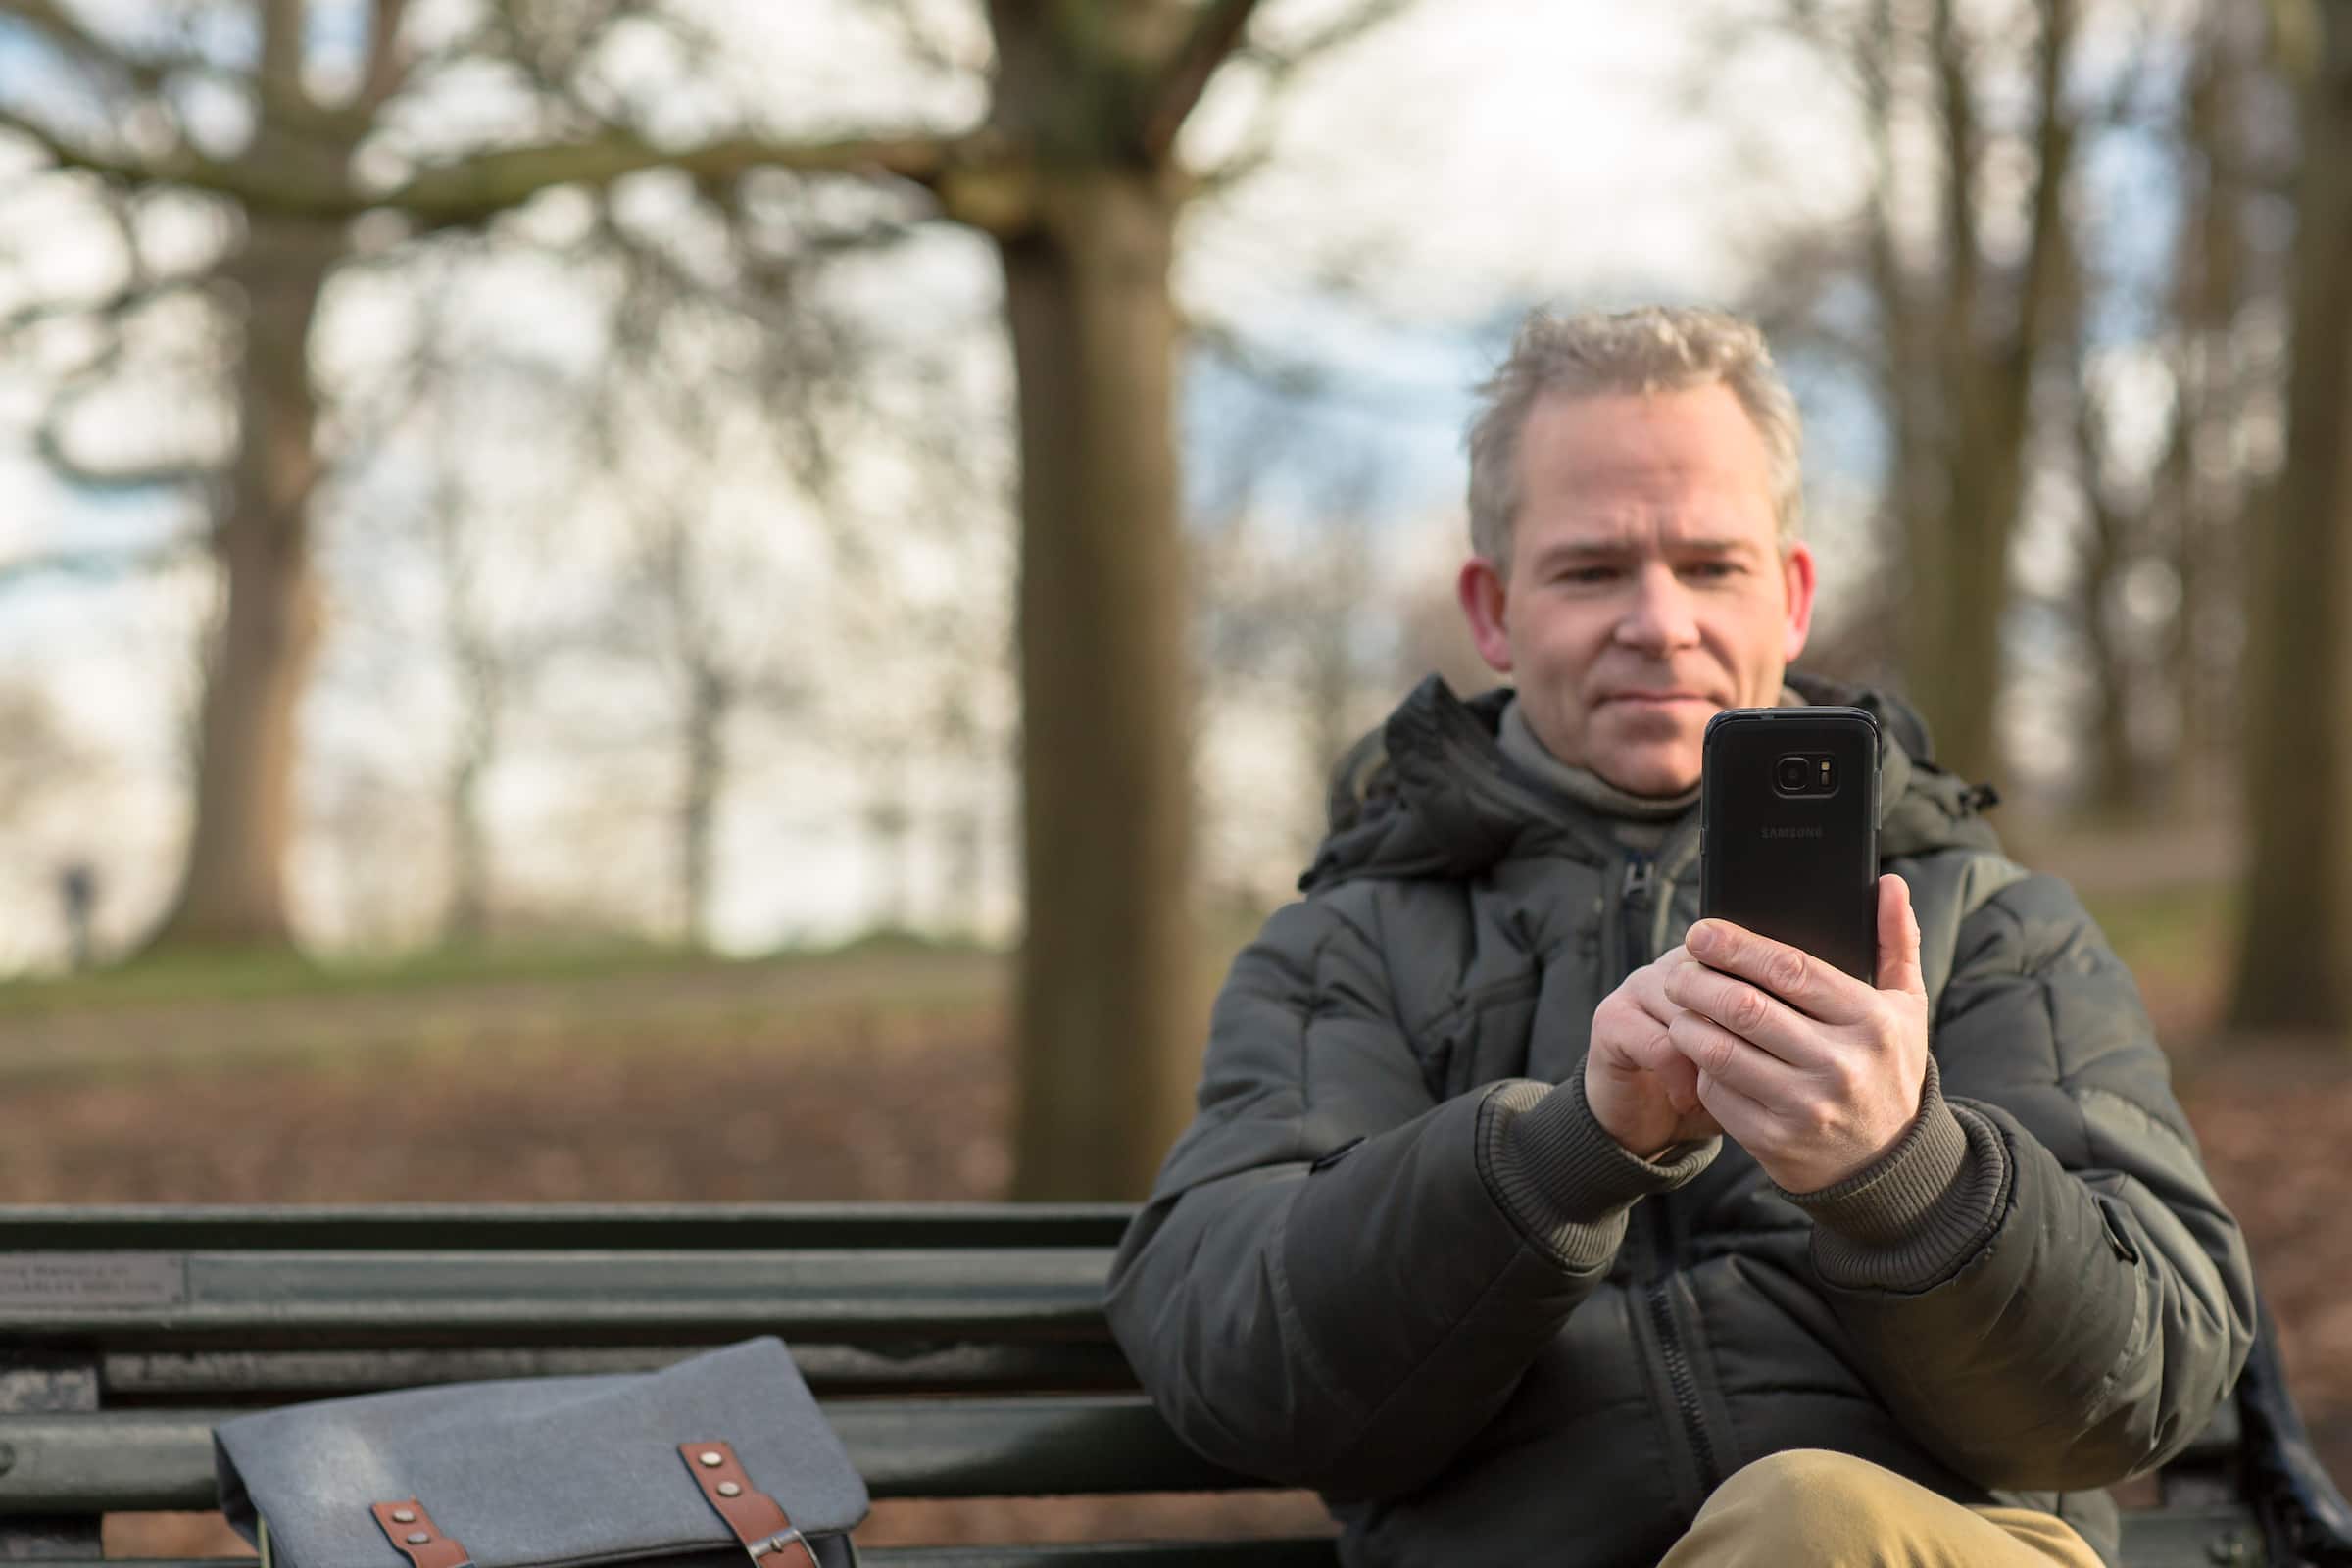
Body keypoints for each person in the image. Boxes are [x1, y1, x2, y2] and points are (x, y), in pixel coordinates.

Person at [1102, 306, 2256, 1567]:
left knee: (1809, 1522)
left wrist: (1907, 1173)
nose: (1659, 621)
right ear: (1492, 610)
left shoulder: (1990, 928)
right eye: (1592, 570)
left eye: (1711, 566)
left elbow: (2142, 1382)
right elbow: (1239, 1367)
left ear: (1792, 595)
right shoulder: (1347, 950)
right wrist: (1557, 1159)